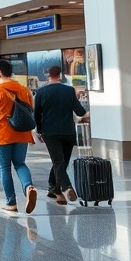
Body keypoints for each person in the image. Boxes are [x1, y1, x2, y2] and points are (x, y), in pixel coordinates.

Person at [0, 59, 39, 214]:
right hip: (22, 133)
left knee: (5, 168)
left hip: (3, 135)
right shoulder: (24, 90)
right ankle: (29, 187)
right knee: (20, 163)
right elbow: (30, 110)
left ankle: (11, 202)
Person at [34, 65, 88, 205]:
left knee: (58, 162)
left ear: (48, 75)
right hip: (68, 132)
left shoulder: (41, 92)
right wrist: (86, 115)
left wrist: (40, 131)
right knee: (61, 162)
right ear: (61, 75)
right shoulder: (69, 91)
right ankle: (54, 189)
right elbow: (80, 111)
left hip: (50, 133)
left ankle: (62, 189)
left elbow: (37, 114)